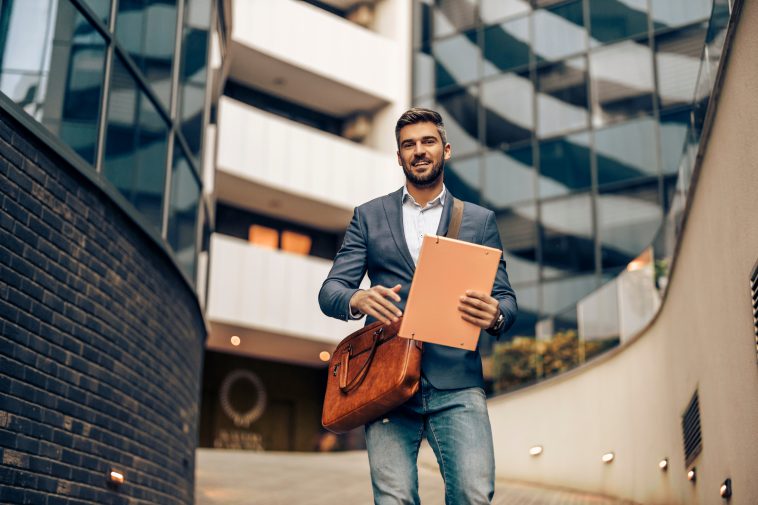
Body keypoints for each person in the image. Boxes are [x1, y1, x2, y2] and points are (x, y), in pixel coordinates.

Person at [318, 107, 517, 504]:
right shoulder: (368, 217)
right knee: (394, 499)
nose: (419, 151)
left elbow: (507, 301)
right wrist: (357, 297)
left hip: (457, 382)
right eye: (408, 145)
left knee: (474, 496)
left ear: (445, 150)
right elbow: (331, 290)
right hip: (385, 381)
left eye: (428, 142)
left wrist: (494, 314)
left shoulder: (479, 220)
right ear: (399, 157)